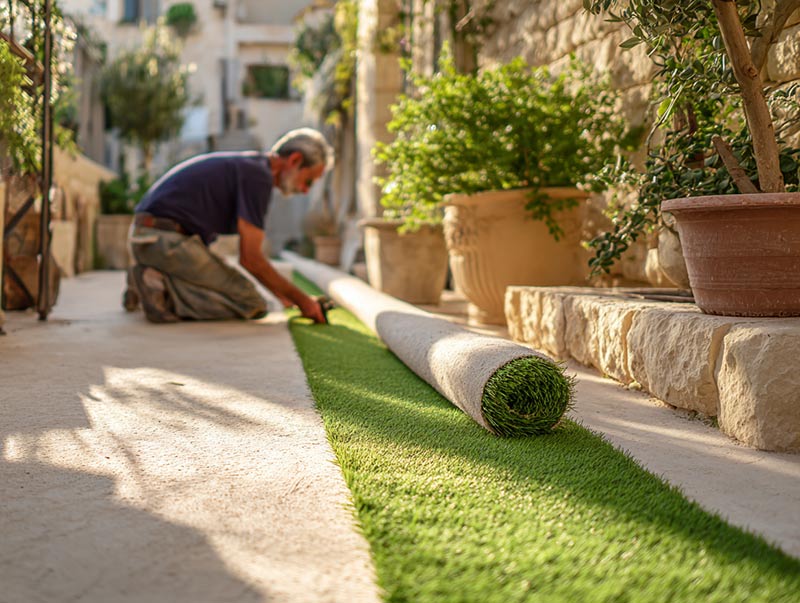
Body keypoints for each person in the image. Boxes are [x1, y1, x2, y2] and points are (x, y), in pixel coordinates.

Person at [123, 128, 332, 324]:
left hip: (147, 237)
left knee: (224, 280)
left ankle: (148, 281)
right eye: (309, 181)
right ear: (295, 160)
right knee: (251, 303)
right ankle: (164, 293)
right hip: (165, 242)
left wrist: (286, 297)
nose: (305, 190)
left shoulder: (250, 167)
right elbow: (251, 260)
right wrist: (305, 302)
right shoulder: (258, 177)